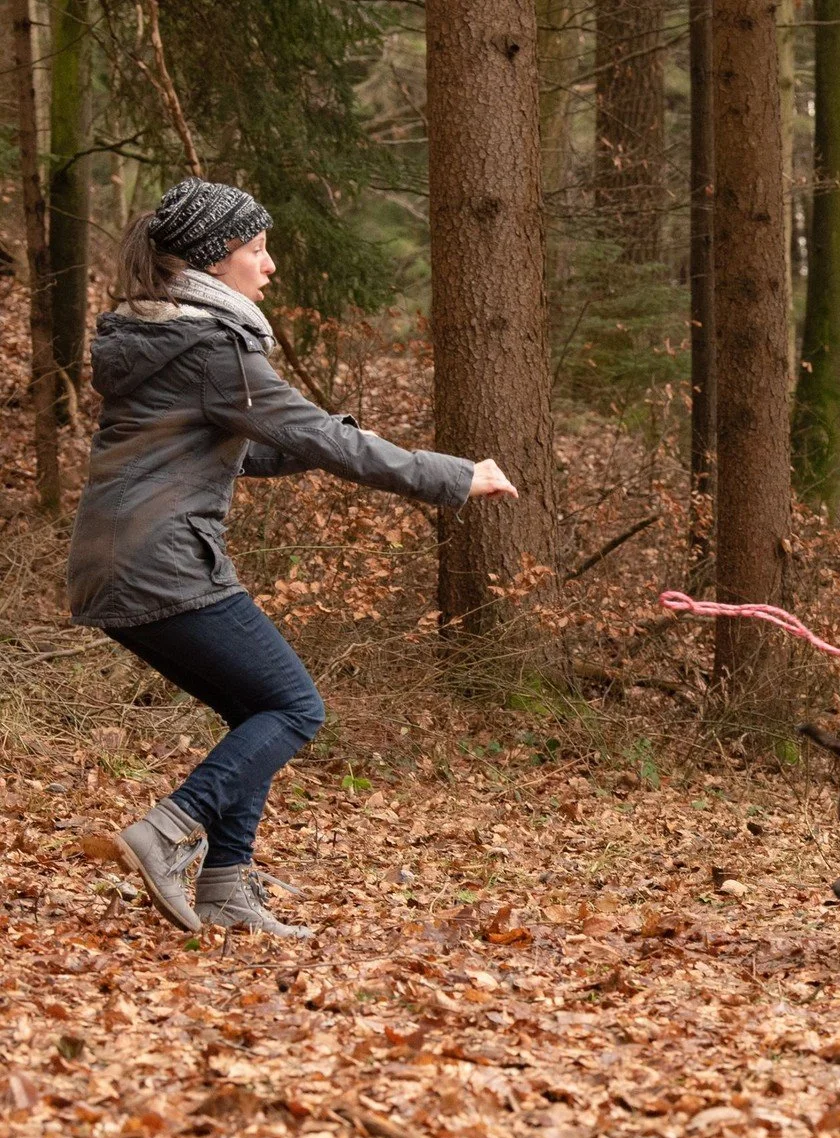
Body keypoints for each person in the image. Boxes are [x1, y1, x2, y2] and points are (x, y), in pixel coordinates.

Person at [69, 178, 519, 938]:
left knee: (257, 710)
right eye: (256, 249)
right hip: (164, 561)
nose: (269, 265)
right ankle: (168, 831)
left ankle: (225, 885)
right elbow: (311, 436)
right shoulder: (214, 347)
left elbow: (227, 452)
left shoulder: (160, 338)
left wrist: (316, 440)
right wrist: (454, 475)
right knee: (295, 706)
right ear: (215, 262)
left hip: (111, 560)